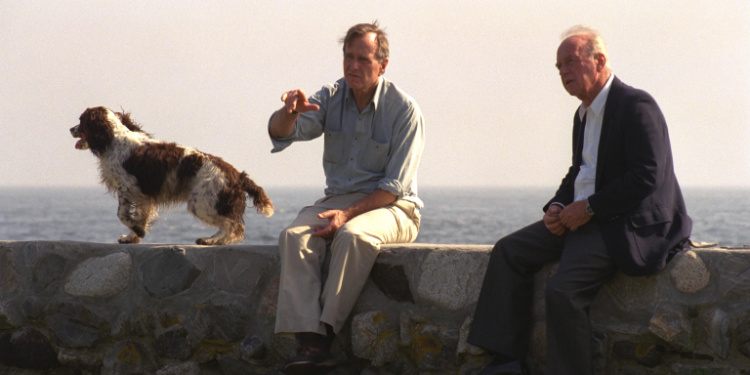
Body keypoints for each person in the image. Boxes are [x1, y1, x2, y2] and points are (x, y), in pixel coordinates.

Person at [467, 25, 692, 375]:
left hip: (621, 223)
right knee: (509, 252)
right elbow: (579, 172)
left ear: (599, 60)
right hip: (583, 217)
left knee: (562, 291)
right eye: (559, 67)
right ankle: (506, 363)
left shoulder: (636, 105)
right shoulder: (583, 114)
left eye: (571, 62)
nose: (564, 72)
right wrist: (557, 206)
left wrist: (589, 208)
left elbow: (647, 175)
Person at [267, 22, 424, 375]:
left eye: (363, 59)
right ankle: (308, 339)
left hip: (393, 206)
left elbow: (393, 187)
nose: (353, 66)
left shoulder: (404, 110)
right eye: (348, 57)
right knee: (294, 237)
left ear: (383, 65)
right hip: (338, 199)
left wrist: (347, 215)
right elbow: (282, 134)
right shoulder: (330, 96)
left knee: (354, 237)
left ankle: (322, 339)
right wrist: (289, 111)